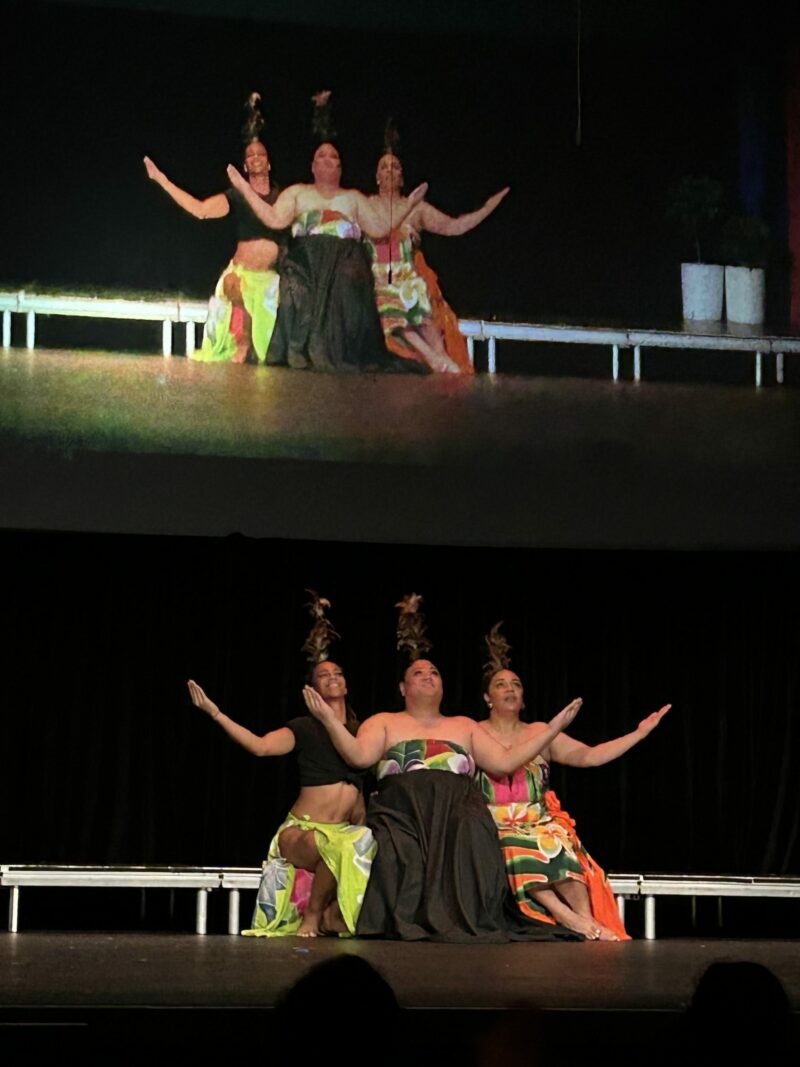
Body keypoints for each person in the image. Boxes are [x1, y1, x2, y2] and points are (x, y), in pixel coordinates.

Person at [302, 595, 582, 942]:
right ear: (403, 688)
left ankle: (463, 918)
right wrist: (329, 720)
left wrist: (552, 728)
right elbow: (358, 758)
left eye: (434, 672)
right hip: (402, 810)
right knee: (396, 850)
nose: (428, 676)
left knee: (474, 835)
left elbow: (505, 762)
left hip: (456, 809)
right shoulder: (384, 721)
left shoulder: (464, 725)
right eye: (418, 673)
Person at [187, 593, 374, 937]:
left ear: (346, 683)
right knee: (341, 844)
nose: (332, 677)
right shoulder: (304, 728)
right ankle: (312, 915)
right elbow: (259, 747)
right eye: (322, 674)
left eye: (337, 672)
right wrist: (216, 713)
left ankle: (333, 915)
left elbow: (360, 795)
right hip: (301, 832)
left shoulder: (361, 733)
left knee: (356, 840)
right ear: (311, 688)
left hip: (344, 832)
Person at [477, 622, 670, 940]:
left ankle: (586, 920)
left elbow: (590, 756)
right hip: (494, 824)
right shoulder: (474, 731)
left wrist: (639, 733)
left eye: (516, 684)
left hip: (538, 821)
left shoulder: (541, 732)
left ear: (523, 697)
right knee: (514, 845)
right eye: (501, 684)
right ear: (488, 697)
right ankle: (564, 914)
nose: (510, 689)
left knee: (558, 842)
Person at [226, 92, 428, 371]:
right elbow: (273, 219)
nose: (326, 159)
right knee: (294, 287)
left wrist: (410, 204)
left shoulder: (353, 197)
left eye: (332, 157)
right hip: (306, 259)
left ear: (340, 167)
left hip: (344, 257)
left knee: (349, 279)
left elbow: (379, 228)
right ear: (312, 166)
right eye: (320, 156)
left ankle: (341, 350)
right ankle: (297, 349)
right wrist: (243, 188)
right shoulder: (298, 192)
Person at [144, 93, 286, 364]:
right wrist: (161, 179)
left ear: (269, 162)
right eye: (250, 155)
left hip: (269, 280)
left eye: (261, 154)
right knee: (234, 292)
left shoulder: (284, 197)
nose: (255, 157)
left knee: (265, 343)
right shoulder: (237, 196)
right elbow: (200, 210)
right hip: (241, 276)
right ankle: (241, 338)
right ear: (244, 166)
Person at [365, 147, 509, 373]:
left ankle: (441, 358)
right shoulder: (367, 205)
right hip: (379, 278)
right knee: (388, 302)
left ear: (402, 177)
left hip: (408, 277)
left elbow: (454, 226)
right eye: (384, 167)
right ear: (376, 177)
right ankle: (433, 357)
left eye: (395, 167)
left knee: (419, 301)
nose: (390, 171)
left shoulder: (417, 210)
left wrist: (487, 208)